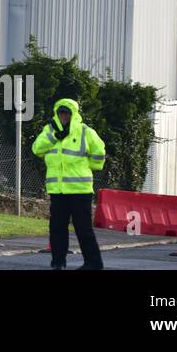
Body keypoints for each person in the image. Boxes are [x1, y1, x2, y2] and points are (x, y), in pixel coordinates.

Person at [31, 96, 106, 270]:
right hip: (58, 190)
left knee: (83, 229)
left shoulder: (85, 131)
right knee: (57, 229)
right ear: (57, 114)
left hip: (80, 190)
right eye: (61, 113)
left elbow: (99, 153)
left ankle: (93, 264)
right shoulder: (49, 131)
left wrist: (89, 166)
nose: (64, 116)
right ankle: (58, 262)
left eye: (67, 113)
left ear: (73, 114)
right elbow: (37, 149)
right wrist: (54, 136)